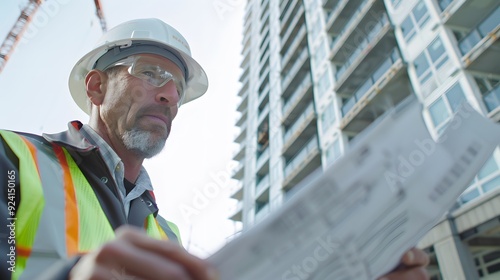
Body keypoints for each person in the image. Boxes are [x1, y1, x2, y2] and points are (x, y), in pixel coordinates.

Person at [0, 18, 429, 280]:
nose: (170, 94)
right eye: (149, 73)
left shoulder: (165, 235)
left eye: (179, 87)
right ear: (96, 86)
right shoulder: (15, 160)